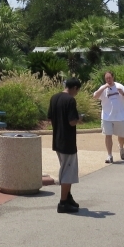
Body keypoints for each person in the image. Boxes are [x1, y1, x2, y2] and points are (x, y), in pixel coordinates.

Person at [48, 78, 82, 213]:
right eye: (77, 90)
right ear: (74, 88)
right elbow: (72, 122)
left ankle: (68, 197)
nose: (77, 93)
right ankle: (63, 202)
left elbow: (50, 117)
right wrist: (80, 119)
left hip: (57, 139)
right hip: (67, 141)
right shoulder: (70, 100)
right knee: (68, 172)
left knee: (64, 168)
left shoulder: (54, 98)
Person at [93, 70, 124, 163]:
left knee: (122, 136)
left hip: (120, 116)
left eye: (110, 78)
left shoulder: (119, 86)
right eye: (106, 78)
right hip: (107, 117)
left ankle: (121, 147)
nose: (108, 80)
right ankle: (109, 155)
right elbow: (95, 96)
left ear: (113, 77)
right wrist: (103, 88)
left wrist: (122, 93)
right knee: (108, 135)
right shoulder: (103, 88)